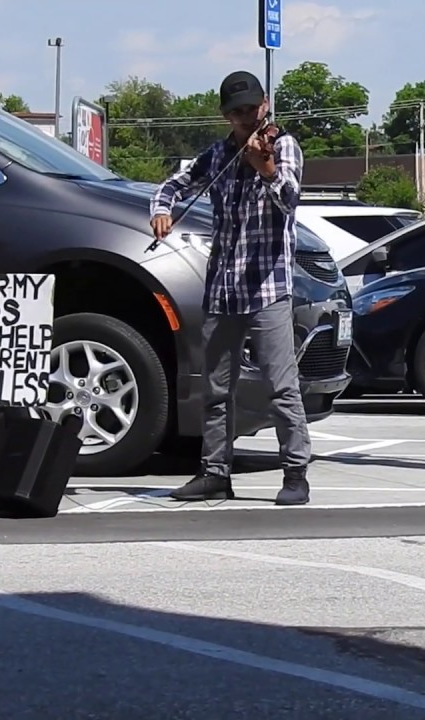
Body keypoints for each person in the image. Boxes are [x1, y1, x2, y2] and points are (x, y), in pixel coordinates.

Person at [148, 70, 311, 506]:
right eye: (236, 112)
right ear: (226, 115)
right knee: (217, 389)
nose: (245, 118)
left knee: (281, 386)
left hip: (268, 287)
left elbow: (289, 200)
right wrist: (162, 209)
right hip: (223, 288)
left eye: (251, 109)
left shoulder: (283, 145)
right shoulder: (219, 153)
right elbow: (173, 184)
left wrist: (266, 167)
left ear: (266, 105)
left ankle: (296, 473)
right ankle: (215, 472)